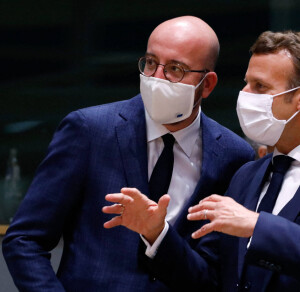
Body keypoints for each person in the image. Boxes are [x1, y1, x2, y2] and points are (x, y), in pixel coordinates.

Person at [2, 16, 254, 291]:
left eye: (175, 69)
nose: (156, 78)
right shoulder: (90, 130)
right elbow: (25, 240)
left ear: (207, 84)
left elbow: (212, 275)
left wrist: (158, 236)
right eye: (149, 62)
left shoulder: (233, 155)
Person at [103, 30, 300, 291]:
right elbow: (207, 280)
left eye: (260, 86)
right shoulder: (246, 176)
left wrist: (256, 226)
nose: (245, 94)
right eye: (246, 83)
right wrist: (157, 233)